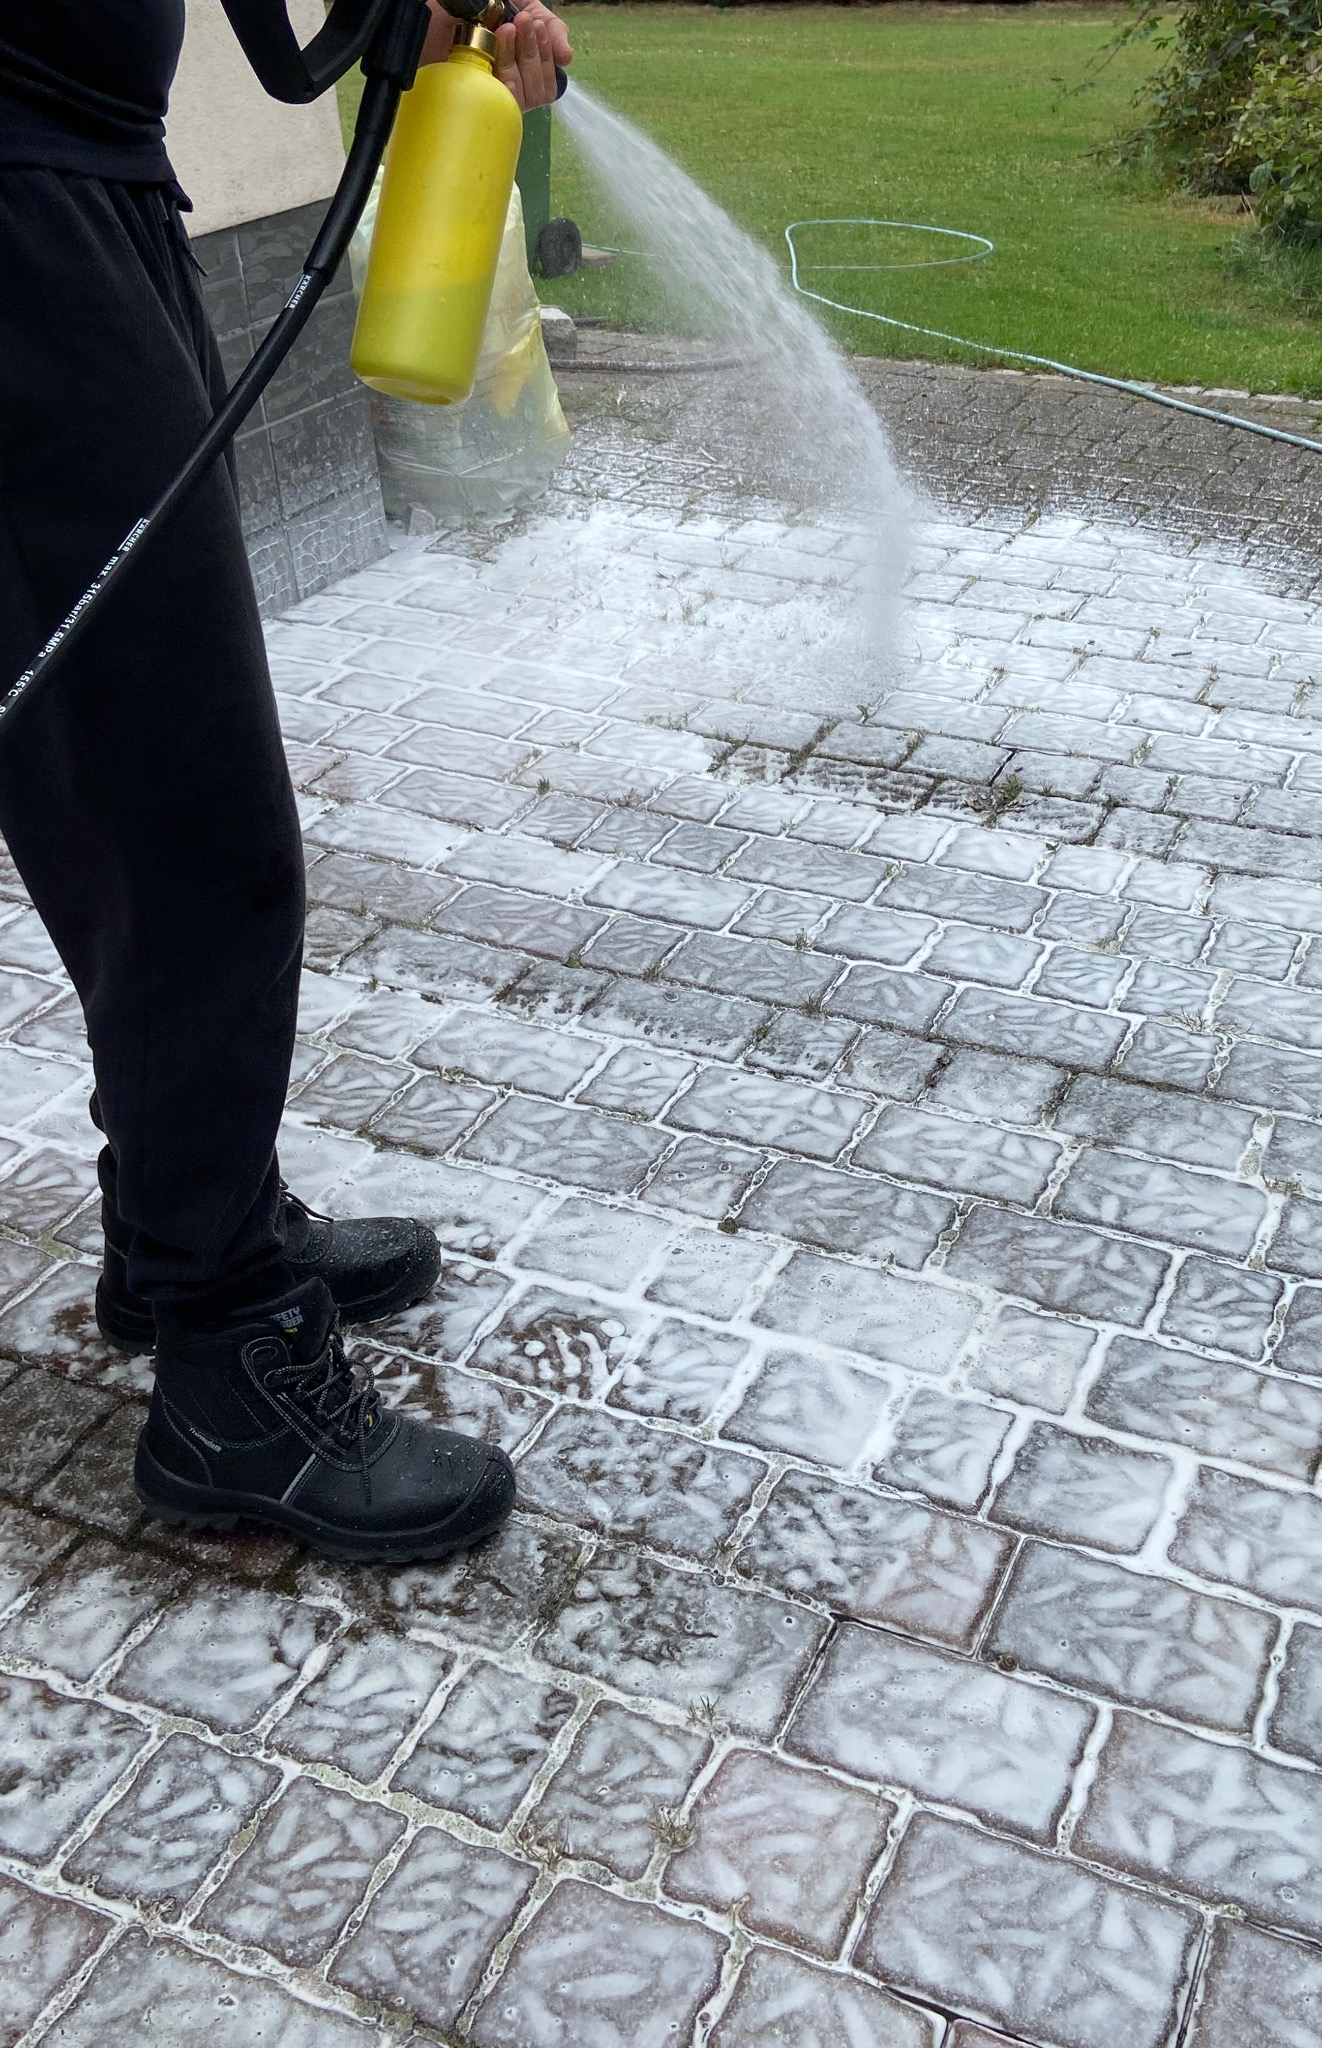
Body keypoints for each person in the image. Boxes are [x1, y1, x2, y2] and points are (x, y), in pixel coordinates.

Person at [0, 0, 571, 1562]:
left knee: (117, 784)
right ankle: (229, 1374)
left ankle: (187, 1225)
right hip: (25, 206)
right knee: (188, 803)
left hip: (91, 178)